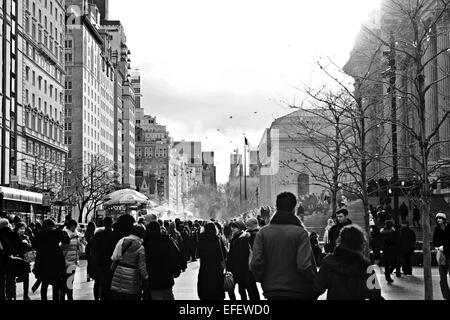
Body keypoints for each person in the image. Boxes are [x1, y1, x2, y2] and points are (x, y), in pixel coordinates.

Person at [250, 192, 317, 300]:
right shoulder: (301, 233)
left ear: (276, 207)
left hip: (271, 290)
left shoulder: (263, 233)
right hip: (297, 290)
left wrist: (264, 279)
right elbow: (303, 265)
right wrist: (314, 281)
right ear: (294, 208)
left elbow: (255, 263)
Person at [313, 225, 383, 300]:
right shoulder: (365, 264)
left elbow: (318, 288)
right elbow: (374, 294)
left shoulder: (328, 261)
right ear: (360, 243)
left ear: (340, 240)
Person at [144, 221, 183, 300]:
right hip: (167, 277)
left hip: (152, 278)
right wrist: (176, 271)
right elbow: (176, 256)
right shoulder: (168, 241)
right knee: (168, 295)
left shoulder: (146, 244)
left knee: (156, 296)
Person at [33, 219, 70, 300]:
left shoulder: (39, 233)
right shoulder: (56, 231)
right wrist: (62, 231)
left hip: (42, 260)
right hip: (55, 260)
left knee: (44, 283)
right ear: (53, 225)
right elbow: (67, 240)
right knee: (55, 283)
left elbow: (34, 246)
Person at [110, 224, 148, 300]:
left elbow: (115, 257)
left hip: (118, 273)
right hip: (132, 277)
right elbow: (142, 265)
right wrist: (146, 277)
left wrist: (112, 269)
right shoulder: (140, 247)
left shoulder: (122, 241)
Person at [197, 222, 227, 300]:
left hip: (205, 268)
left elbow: (199, 255)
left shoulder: (201, 240)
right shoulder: (218, 240)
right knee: (217, 290)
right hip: (216, 269)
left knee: (205, 289)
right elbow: (223, 255)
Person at [90, 217, 114, 300]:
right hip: (109, 263)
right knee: (107, 284)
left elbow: (91, 247)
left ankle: (96, 298)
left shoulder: (98, 235)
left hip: (98, 262)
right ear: (112, 223)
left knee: (97, 283)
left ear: (104, 223)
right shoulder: (113, 235)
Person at [60, 219, 85, 300]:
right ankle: (63, 296)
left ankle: (69, 296)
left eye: (75, 227)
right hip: (64, 261)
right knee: (65, 281)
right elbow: (61, 247)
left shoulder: (76, 234)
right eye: (73, 227)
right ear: (69, 226)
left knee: (70, 281)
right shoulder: (64, 234)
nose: (74, 228)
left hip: (73, 262)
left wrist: (81, 242)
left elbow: (79, 246)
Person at [227, 220, 251, 300]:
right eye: (232, 227)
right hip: (233, 268)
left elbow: (243, 255)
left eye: (235, 227)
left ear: (240, 228)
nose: (233, 229)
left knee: (241, 290)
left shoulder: (243, 239)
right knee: (230, 288)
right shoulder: (235, 238)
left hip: (240, 269)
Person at [14, 222, 34, 300]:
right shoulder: (13, 237)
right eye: (20, 229)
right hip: (15, 260)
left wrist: (26, 244)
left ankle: (25, 295)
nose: (22, 230)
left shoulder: (26, 237)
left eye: (23, 229)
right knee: (13, 279)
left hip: (25, 260)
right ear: (17, 229)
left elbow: (30, 247)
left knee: (26, 278)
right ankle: (13, 295)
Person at [433, 213, 450, 300]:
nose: (438, 220)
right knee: (442, 278)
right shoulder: (436, 229)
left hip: (449, 254)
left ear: (444, 219)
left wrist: (445, 247)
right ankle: (447, 296)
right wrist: (437, 247)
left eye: (440, 218)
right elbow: (434, 241)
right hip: (441, 255)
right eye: (437, 218)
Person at [245, 218, 260, 300]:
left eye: (248, 225)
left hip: (251, 264)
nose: (246, 226)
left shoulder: (252, 235)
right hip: (257, 262)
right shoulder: (259, 233)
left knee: (251, 286)